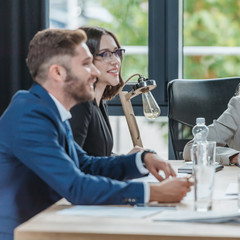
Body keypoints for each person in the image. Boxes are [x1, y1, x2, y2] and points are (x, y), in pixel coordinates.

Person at [0, 29, 192, 240]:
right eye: (85, 64)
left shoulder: (49, 109)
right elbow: (76, 185)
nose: (93, 72)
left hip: (51, 225)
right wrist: (155, 193)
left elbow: (86, 165)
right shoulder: (30, 115)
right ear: (57, 73)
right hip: (23, 232)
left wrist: (141, 160)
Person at [69, 26, 128, 156]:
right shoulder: (80, 105)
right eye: (106, 54)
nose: (116, 61)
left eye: (116, 52)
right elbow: (76, 162)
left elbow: (100, 154)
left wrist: (130, 159)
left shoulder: (99, 102)